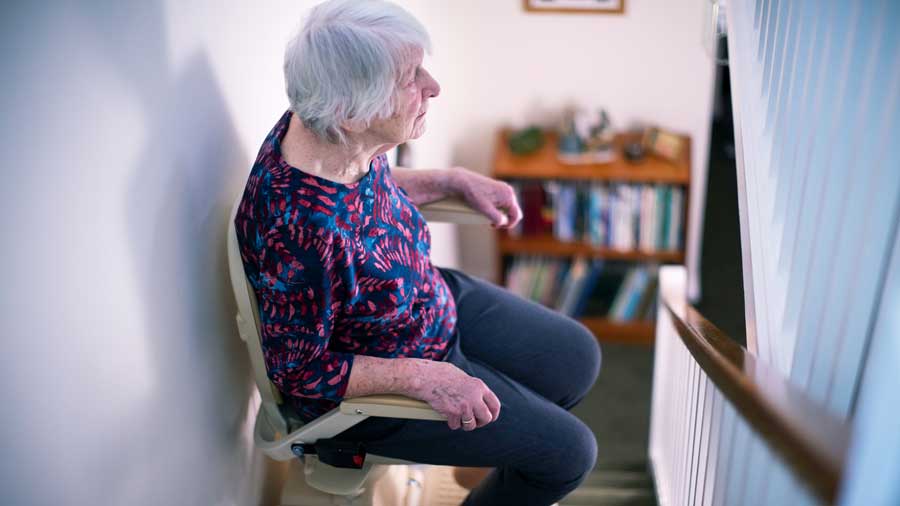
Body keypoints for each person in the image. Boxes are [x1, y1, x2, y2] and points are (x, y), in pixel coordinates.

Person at [234, 1, 601, 504]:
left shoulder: (323, 130)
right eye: (411, 77)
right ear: (352, 111)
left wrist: (449, 181)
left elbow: (360, 195)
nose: (433, 85)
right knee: (569, 454)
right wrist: (424, 378)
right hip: (385, 384)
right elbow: (298, 371)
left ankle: (500, 454)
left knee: (576, 357)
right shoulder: (301, 232)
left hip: (425, 299)